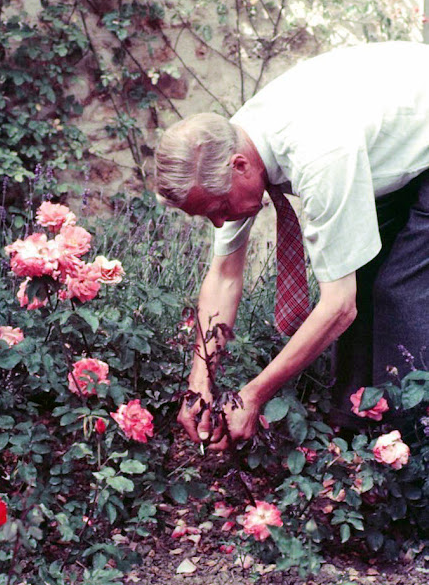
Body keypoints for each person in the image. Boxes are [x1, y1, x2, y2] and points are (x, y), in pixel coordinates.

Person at [154, 41, 429, 450]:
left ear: (239, 166)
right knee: (364, 274)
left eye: (218, 209)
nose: (219, 222)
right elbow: (224, 276)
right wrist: (200, 381)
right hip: (391, 147)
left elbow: (339, 306)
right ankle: (351, 441)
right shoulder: (227, 146)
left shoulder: (319, 156)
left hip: (415, 129)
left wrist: (253, 395)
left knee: (398, 292)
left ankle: (415, 445)